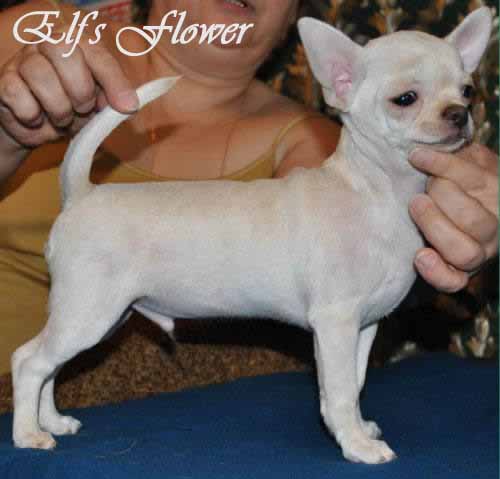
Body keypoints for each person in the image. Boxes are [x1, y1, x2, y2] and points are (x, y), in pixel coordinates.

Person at [0, 0, 497, 376]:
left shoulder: (318, 142)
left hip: (167, 405)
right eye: (406, 98)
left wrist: (455, 222)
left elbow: (354, 271)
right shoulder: (38, 30)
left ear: (291, 23)